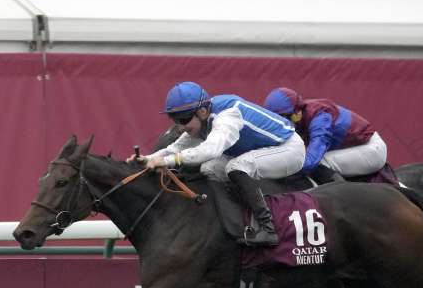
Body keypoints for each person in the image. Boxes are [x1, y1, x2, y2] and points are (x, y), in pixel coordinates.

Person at [139, 81, 305, 247]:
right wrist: (147, 159)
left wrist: (167, 161)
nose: (181, 127)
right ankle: (235, 223)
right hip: (262, 149)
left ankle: (268, 229)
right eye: (175, 120)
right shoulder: (203, 118)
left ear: (202, 111)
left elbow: (209, 151)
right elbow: (174, 149)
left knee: (236, 167)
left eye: (183, 119)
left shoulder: (227, 117)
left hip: (289, 149)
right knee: (209, 168)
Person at [263, 87, 386, 184]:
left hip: (371, 149)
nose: (282, 124)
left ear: (296, 111)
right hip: (350, 147)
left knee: (320, 163)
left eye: (284, 118)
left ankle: (345, 197)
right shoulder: (298, 116)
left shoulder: (320, 116)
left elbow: (314, 155)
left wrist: (285, 170)